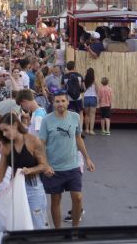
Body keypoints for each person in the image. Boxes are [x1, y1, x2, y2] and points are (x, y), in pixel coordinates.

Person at [39, 92, 95, 228]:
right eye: (57, 101)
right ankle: (58, 231)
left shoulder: (75, 117)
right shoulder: (47, 120)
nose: (60, 104)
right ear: (53, 103)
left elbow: (78, 138)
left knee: (78, 197)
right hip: (54, 169)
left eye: (63, 101)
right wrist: (45, 164)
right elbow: (41, 144)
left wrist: (87, 158)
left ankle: (75, 230)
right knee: (56, 200)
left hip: (72, 166)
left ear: (68, 102)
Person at [0, 113, 50, 229]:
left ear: (15, 125)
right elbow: (0, 175)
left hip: (34, 187)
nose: (4, 134)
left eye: (6, 130)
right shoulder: (6, 146)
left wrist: (30, 170)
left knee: (38, 223)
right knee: (19, 222)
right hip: (16, 187)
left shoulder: (33, 140)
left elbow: (44, 165)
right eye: (2, 131)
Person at [82, 68, 98, 135]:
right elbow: (97, 90)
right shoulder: (94, 81)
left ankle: (87, 129)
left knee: (87, 115)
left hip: (86, 98)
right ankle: (91, 130)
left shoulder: (84, 80)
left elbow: (83, 89)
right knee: (92, 115)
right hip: (93, 98)